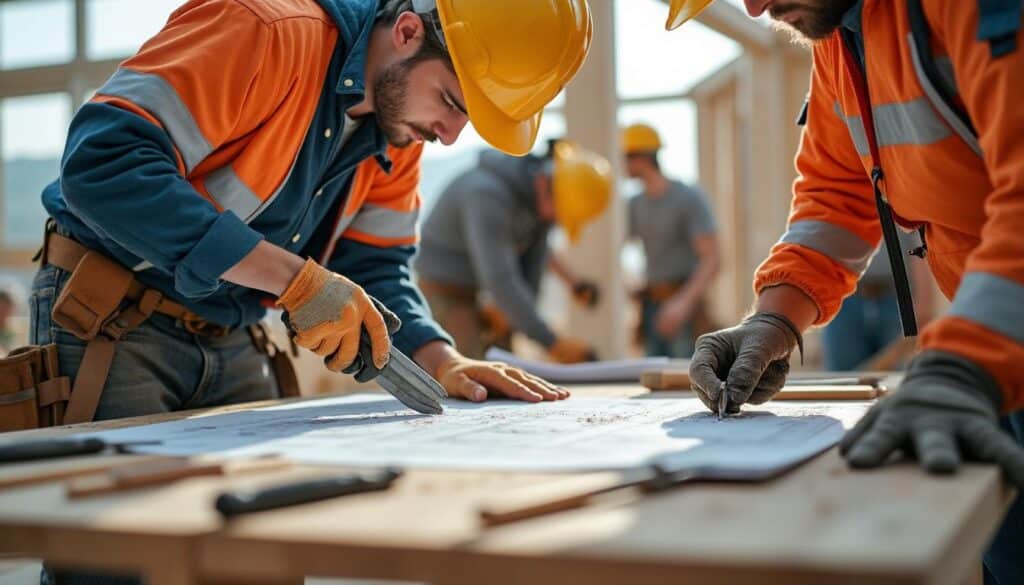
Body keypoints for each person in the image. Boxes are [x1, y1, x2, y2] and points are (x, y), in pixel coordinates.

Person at [31, 0, 591, 581]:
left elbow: (376, 266)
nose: (448, 136)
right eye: (452, 101)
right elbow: (103, 165)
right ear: (406, 31)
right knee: (115, 560)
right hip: (115, 317)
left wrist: (441, 359)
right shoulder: (265, 28)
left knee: (257, 555)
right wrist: (294, 281)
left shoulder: (398, 133)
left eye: (468, 120)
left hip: (229, 331)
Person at [667, 1, 1024, 582]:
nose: (757, 8)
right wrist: (774, 318)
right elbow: (836, 195)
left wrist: (966, 365)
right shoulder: (841, 40)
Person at [415, 140, 610, 362]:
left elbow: (531, 275)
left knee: (506, 369)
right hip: (443, 291)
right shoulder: (486, 195)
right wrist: (552, 342)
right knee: (466, 368)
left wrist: (520, 322)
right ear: (544, 184)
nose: (556, 221)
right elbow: (500, 278)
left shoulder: (537, 208)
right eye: (559, 213)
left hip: (479, 291)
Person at [622, 123, 721, 358]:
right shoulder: (635, 204)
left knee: (685, 380)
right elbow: (616, 248)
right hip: (651, 307)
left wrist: (682, 304)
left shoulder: (687, 198)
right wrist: (629, 287)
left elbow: (712, 259)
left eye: (624, 157)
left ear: (640, 158)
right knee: (654, 377)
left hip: (685, 306)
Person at [821, 231, 935, 370]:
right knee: (842, 381)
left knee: (896, 378)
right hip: (844, 300)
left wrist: (924, 303)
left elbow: (918, 243)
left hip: (896, 301)